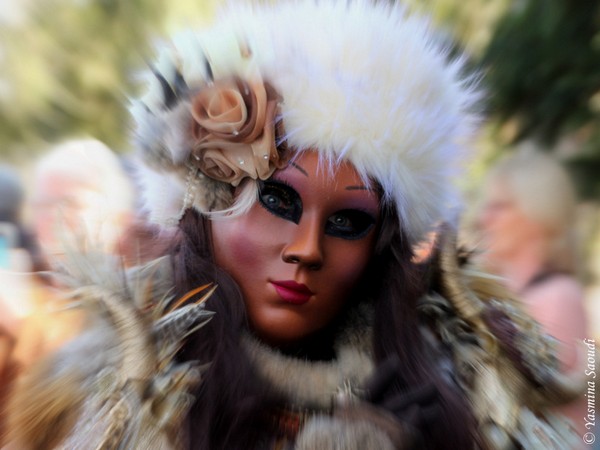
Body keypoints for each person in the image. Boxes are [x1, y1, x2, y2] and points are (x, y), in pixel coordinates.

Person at [3, 2, 581, 449]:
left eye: (349, 222)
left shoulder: (454, 379)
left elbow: (589, 397)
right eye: (279, 201)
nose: (307, 250)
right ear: (209, 198)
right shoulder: (110, 388)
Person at [476, 150, 589, 438]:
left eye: (499, 206)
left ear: (536, 214)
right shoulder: (506, 290)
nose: (483, 218)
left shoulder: (558, 297)